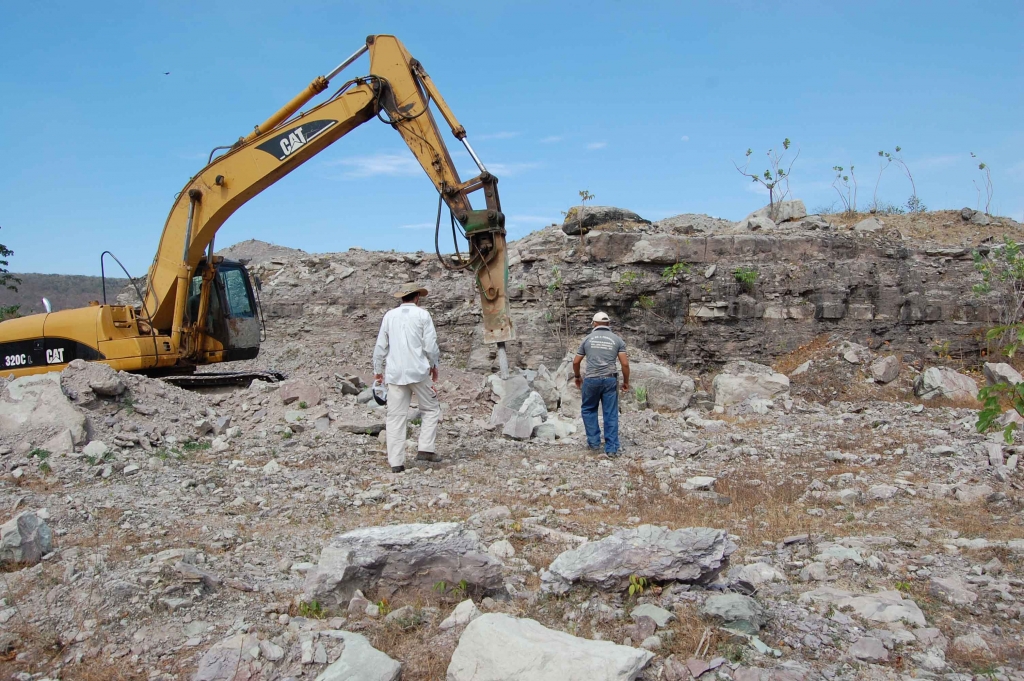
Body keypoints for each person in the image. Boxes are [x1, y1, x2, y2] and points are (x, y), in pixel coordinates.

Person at [372, 283, 442, 473]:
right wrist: (434, 365)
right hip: (418, 372)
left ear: (402, 297)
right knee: (431, 408)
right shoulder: (423, 315)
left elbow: (381, 346)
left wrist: (378, 370)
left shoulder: (389, 316)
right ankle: (426, 448)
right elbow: (430, 345)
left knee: (395, 417)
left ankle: (396, 462)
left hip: (395, 373)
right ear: (417, 297)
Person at [573, 311, 630, 457]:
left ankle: (594, 443)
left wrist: (578, 376)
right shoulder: (617, 340)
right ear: (609, 324)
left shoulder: (587, 339)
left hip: (591, 379)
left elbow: (576, 361)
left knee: (588, 409)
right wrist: (626, 381)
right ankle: (611, 448)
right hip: (610, 379)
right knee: (610, 413)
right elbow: (624, 363)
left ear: (594, 324)